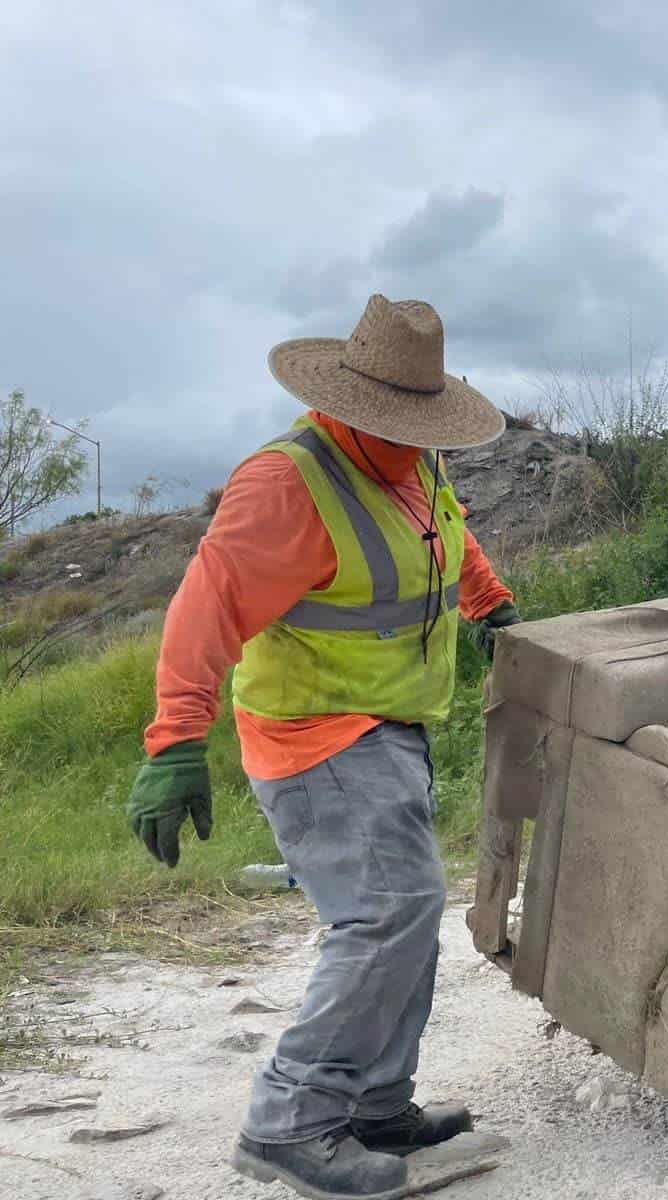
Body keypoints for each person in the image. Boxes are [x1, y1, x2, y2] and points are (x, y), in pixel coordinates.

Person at [124, 295, 523, 1200]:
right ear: (348, 404)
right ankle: (290, 1126)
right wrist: (176, 739)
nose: (416, 439)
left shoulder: (415, 464)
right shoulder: (286, 484)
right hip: (315, 734)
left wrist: (488, 601)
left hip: (390, 727)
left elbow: (444, 540)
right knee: (384, 917)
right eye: (401, 422)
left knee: (409, 918)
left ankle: (377, 1106)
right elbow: (206, 607)